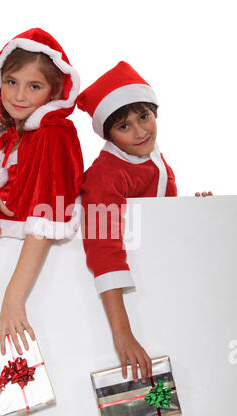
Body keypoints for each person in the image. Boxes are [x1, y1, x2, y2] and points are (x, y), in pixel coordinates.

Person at [0, 28, 84, 356]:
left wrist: (12, 299)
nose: (19, 96)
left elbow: (46, 219)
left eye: (33, 86)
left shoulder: (53, 135)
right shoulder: (10, 140)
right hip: (3, 269)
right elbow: (2, 201)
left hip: (40, 281)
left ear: (53, 92)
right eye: (11, 82)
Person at [77, 61, 180, 384]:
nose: (140, 132)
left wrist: (192, 213)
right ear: (107, 134)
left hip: (158, 279)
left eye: (144, 117)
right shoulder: (105, 175)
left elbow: (157, 223)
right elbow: (102, 249)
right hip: (111, 296)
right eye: (124, 127)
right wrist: (122, 333)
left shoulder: (153, 159)